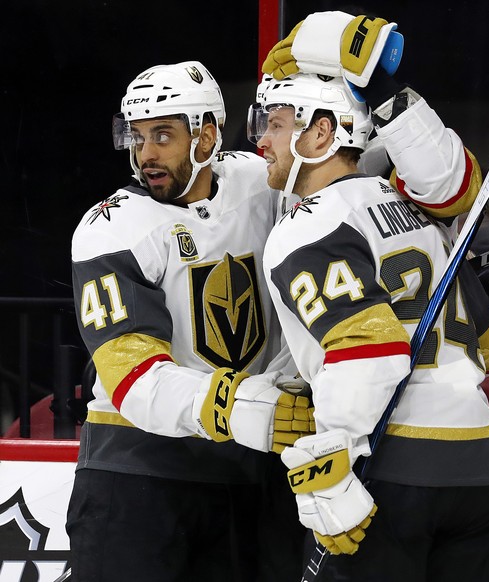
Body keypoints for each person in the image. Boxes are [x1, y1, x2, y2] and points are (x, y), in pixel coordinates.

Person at [246, 12, 489, 580]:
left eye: (272, 123)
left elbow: (368, 352)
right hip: (485, 465)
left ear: (321, 133)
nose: (260, 140)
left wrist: (332, 469)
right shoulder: (415, 207)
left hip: (396, 472)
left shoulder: (308, 226)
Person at [66, 60, 313, 582]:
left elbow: (347, 174)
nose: (145, 155)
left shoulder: (257, 180)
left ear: (206, 136)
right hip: (137, 471)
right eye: (136, 137)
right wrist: (248, 406)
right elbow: (132, 379)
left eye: (163, 135)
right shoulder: (110, 227)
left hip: (245, 472)